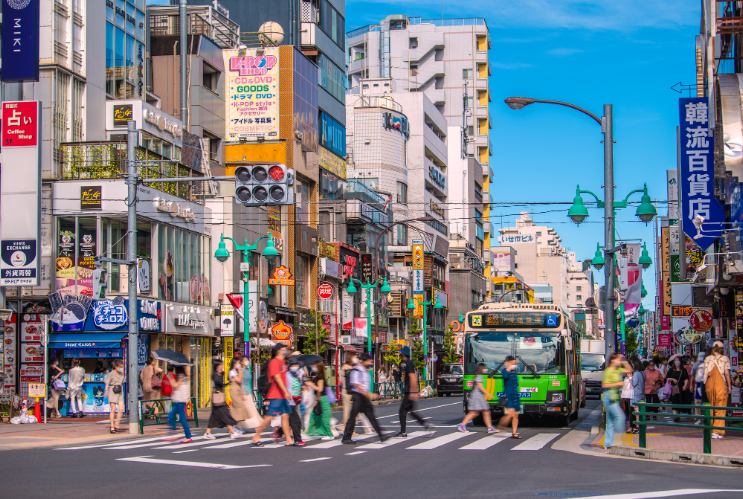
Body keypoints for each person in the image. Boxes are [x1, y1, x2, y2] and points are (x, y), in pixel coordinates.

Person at [252, 344, 295, 447]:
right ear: (278, 351)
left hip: (282, 395)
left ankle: (288, 439)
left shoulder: (283, 362)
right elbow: (277, 378)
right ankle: (257, 436)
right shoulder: (274, 362)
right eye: (284, 349)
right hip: (275, 394)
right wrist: (286, 391)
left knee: (285, 415)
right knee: (270, 416)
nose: (286, 350)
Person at [342, 353, 388, 444]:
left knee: (371, 416)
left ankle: (381, 435)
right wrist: (369, 394)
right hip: (358, 396)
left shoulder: (364, 371)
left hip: (364, 397)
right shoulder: (357, 371)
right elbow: (356, 385)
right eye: (368, 362)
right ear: (363, 362)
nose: (369, 363)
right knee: (352, 417)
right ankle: (346, 437)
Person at [396, 346, 432, 437]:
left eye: (401, 352)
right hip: (409, 390)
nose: (400, 354)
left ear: (404, 353)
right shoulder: (406, 363)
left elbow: (413, 377)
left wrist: (413, 392)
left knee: (402, 411)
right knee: (411, 412)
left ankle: (403, 432)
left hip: (409, 391)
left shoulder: (409, 363)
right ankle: (427, 425)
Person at [337, 352, 373, 436]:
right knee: (349, 412)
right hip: (346, 391)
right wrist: (359, 366)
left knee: (354, 412)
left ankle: (346, 427)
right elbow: (351, 374)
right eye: (355, 357)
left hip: (352, 391)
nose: (356, 359)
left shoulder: (353, 367)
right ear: (350, 358)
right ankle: (347, 428)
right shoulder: (346, 367)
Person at [204, 360, 242, 440]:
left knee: (213, 416)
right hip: (218, 398)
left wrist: (226, 379)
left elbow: (224, 382)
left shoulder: (222, 373)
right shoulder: (214, 375)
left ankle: (207, 433)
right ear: (217, 366)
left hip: (220, 398)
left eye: (222, 365)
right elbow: (219, 382)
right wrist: (223, 377)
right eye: (220, 365)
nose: (222, 366)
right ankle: (232, 432)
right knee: (225, 414)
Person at [602, 353, 632, 449]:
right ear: (613, 360)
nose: (620, 362)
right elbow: (605, 385)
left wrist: (624, 360)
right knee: (620, 417)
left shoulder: (618, 370)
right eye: (618, 360)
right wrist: (618, 383)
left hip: (614, 396)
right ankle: (618, 441)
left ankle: (607, 443)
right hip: (609, 396)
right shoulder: (608, 371)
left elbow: (630, 370)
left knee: (611, 421)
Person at [456, 362, 496, 434]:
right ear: (482, 369)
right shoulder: (479, 376)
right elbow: (480, 387)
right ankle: (462, 425)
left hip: (478, 396)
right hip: (478, 397)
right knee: (480, 412)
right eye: (485, 368)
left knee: (481, 412)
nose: (486, 370)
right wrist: (488, 394)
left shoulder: (477, 376)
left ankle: (490, 427)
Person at [704, 341, 732, 439]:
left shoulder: (707, 359)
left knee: (711, 405)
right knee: (721, 406)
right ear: (721, 349)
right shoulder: (724, 358)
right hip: (720, 383)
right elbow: (727, 373)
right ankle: (717, 431)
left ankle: (712, 429)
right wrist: (729, 386)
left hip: (709, 384)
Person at [305, 361, 334, 440]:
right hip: (320, 398)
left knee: (323, 417)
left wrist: (311, 384)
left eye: (314, 366)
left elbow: (320, 389)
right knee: (314, 416)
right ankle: (308, 432)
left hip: (323, 399)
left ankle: (329, 434)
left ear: (318, 368)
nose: (313, 367)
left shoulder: (320, 377)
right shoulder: (317, 376)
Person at [165, 366, 193, 443]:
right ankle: (173, 434)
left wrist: (170, 377)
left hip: (181, 401)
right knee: (170, 416)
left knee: (182, 419)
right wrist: (170, 381)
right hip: (179, 400)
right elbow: (176, 385)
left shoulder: (181, 376)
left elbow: (175, 385)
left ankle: (188, 437)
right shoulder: (182, 376)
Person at [496, 357, 521, 438]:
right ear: (509, 363)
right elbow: (505, 377)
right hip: (508, 396)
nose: (515, 365)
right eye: (513, 363)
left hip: (515, 395)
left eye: (515, 363)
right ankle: (500, 425)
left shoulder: (514, 372)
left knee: (516, 415)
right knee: (510, 414)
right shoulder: (505, 371)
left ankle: (514, 433)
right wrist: (508, 368)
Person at [237, 356, 263, 429]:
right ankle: (252, 424)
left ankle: (253, 424)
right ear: (241, 362)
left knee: (251, 408)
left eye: (247, 360)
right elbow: (240, 382)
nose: (247, 361)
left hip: (249, 390)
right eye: (245, 360)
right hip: (244, 392)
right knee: (247, 409)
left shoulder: (248, 369)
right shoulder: (241, 370)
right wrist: (242, 393)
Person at [286, 358, 306, 445]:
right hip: (289, 401)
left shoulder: (296, 375)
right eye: (294, 365)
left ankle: (279, 432)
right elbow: (286, 388)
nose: (296, 367)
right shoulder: (287, 375)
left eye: (297, 365)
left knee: (291, 420)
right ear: (290, 366)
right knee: (295, 420)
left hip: (295, 401)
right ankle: (297, 439)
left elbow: (298, 387)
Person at [665, 355, 689, 422]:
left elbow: (686, 378)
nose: (677, 362)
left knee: (680, 401)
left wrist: (685, 385)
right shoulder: (671, 370)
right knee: (674, 401)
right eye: (676, 361)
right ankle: (676, 416)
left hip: (681, 388)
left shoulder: (683, 370)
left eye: (678, 360)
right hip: (673, 388)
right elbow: (667, 378)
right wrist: (672, 379)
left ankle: (678, 416)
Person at [104, 359, 125, 433]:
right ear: (115, 366)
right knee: (113, 409)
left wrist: (122, 392)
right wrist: (106, 392)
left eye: (122, 367)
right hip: (113, 391)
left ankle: (117, 423)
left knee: (121, 409)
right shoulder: (111, 374)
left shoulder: (122, 374)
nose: (121, 368)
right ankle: (112, 426)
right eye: (120, 367)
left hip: (119, 392)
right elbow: (107, 383)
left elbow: (122, 383)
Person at [628, 357, 646, 434]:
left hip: (635, 393)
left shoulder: (636, 373)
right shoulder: (643, 373)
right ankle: (640, 426)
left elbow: (633, 383)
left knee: (636, 410)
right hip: (642, 393)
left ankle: (637, 427)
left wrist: (630, 378)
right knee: (641, 410)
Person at [691, 352, 706, 423]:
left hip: (705, 384)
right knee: (697, 401)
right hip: (698, 384)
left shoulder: (707, 364)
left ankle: (704, 417)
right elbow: (692, 375)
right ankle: (698, 417)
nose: (700, 361)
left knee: (704, 401)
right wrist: (691, 384)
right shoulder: (696, 365)